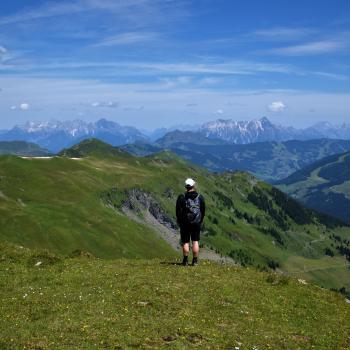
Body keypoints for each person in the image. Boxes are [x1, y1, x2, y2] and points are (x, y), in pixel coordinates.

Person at [176, 178, 205, 266]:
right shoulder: (200, 197)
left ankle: (185, 261)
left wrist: (180, 221)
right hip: (196, 222)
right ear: (193, 186)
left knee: (185, 242)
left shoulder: (181, 197)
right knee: (195, 241)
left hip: (185, 223)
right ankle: (195, 261)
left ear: (186, 187)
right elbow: (203, 210)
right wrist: (200, 220)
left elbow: (178, 211)